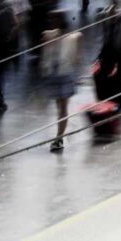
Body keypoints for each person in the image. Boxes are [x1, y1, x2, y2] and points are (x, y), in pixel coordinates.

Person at [40, 13, 82, 152]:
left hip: (65, 74)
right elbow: (45, 35)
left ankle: (59, 137)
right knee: (59, 108)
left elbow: (78, 35)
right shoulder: (49, 36)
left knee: (63, 108)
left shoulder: (70, 38)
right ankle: (62, 130)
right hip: (54, 74)